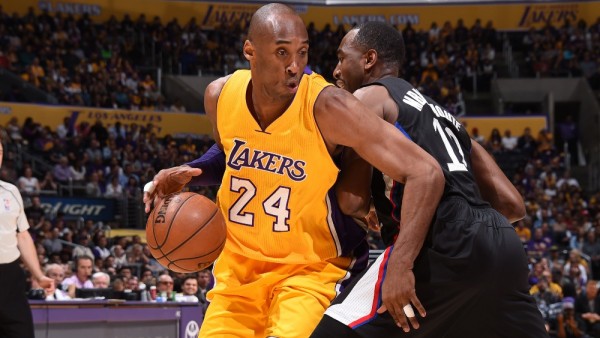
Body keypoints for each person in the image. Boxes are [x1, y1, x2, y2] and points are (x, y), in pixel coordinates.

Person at [143, 4, 444, 337]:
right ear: (250, 51)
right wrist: (191, 170)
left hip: (311, 272)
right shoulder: (219, 95)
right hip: (237, 274)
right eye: (282, 52)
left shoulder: (329, 106)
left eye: (302, 52)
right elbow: (235, 153)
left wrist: (392, 241)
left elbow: (423, 171)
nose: (294, 66)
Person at [310, 21, 547, 337]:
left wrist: (407, 257)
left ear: (368, 60)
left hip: (438, 243)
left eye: (342, 58)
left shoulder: (366, 98)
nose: (337, 70)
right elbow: (513, 204)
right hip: (502, 244)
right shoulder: (445, 116)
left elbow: (351, 200)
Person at [0, 139, 53, 338]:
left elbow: (22, 235)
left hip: (10, 276)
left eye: (0, 151)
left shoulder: (11, 191)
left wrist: (38, 275)